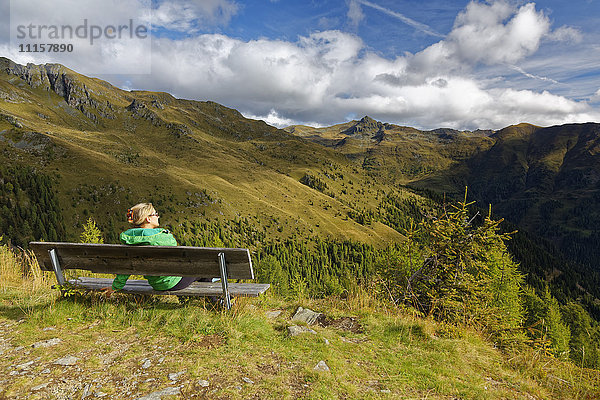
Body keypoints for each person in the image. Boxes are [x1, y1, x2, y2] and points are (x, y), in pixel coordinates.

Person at [102, 202, 206, 295]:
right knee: (204, 270)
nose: (158, 216)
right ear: (148, 219)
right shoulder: (164, 236)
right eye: (155, 214)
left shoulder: (130, 240)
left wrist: (116, 287)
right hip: (174, 282)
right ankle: (215, 304)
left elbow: (127, 267)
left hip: (156, 284)